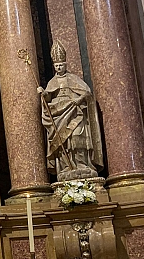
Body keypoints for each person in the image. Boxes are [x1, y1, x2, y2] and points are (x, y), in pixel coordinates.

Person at [37, 40, 103, 181]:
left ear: (65, 65)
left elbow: (87, 93)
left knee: (76, 137)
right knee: (63, 141)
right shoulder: (52, 82)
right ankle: (66, 166)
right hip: (59, 114)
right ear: (54, 66)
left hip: (75, 112)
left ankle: (82, 164)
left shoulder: (73, 78)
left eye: (61, 65)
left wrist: (78, 100)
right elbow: (49, 96)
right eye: (57, 65)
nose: (59, 67)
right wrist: (43, 93)